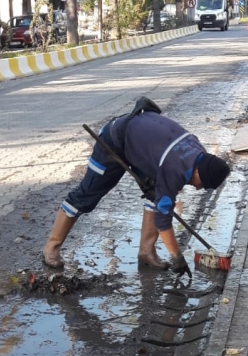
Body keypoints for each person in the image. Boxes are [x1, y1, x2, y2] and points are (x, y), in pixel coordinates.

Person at [42, 97, 230, 273]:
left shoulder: (198, 153)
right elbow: (163, 220)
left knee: (155, 193)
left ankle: (146, 252)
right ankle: (52, 247)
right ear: (198, 172)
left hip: (143, 145)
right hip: (114, 139)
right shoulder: (174, 169)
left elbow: (164, 196)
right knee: (86, 196)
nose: (197, 188)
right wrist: (177, 257)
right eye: (201, 184)